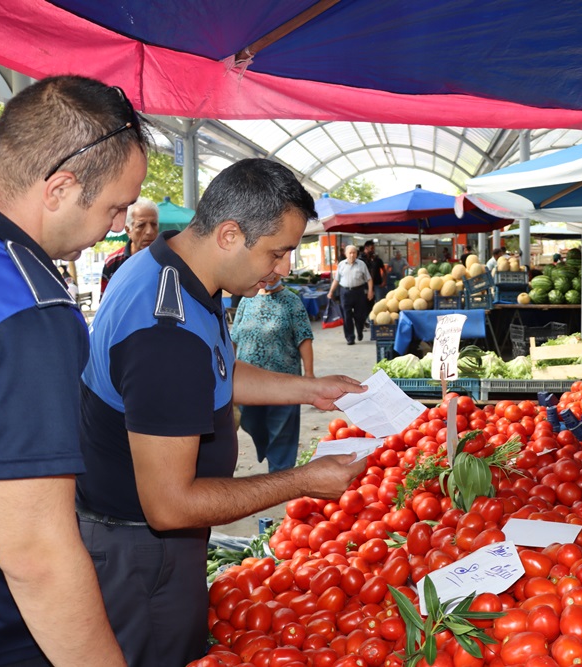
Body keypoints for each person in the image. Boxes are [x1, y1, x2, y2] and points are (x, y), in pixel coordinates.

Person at [78, 158, 367, 667]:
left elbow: (220, 369)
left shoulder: (181, 273)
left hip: (157, 544)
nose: (282, 270)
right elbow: (170, 504)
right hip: (138, 551)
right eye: (277, 254)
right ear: (230, 235)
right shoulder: (164, 331)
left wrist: (310, 388)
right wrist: (302, 480)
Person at [0, 75, 147, 667]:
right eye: (116, 207)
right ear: (60, 188)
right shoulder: (28, 306)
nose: (120, 225)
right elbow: (36, 553)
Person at [232, 278, 315, 472]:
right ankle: (268, 449)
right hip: (249, 384)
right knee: (249, 421)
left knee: (282, 435)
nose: (269, 277)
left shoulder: (291, 301)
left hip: (284, 384)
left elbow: (304, 338)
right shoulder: (247, 300)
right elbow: (234, 337)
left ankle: (280, 473)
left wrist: (309, 375)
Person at [100, 196, 159, 295]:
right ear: (128, 230)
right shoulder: (113, 263)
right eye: (141, 225)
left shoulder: (167, 259)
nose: (149, 231)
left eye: (153, 224)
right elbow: (105, 303)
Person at [328, 244, 373, 345]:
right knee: (346, 316)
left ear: (357, 254)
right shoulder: (341, 265)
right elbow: (336, 280)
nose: (352, 255)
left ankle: (360, 331)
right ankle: (350, 338)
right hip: (345, 293)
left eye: (354, 253)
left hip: (359, 292)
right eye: (350, 253)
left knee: (360, 315)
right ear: (346, 254)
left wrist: (370, 291)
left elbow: (369, 279)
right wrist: (331, 291)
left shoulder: (362, 264)